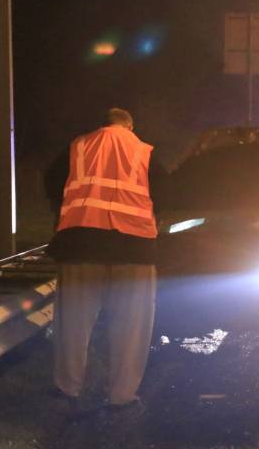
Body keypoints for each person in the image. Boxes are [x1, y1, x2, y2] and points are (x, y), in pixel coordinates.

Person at [47, 108, 160, 419]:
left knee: (73, 324)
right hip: (134, 250)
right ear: (129, 126)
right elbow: (166, 193)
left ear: (103, 124)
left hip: (81, 245)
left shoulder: (79, 147)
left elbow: (51, 182)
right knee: (131, 327)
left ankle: (67, 391)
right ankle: (122, 398)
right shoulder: (144, 151)